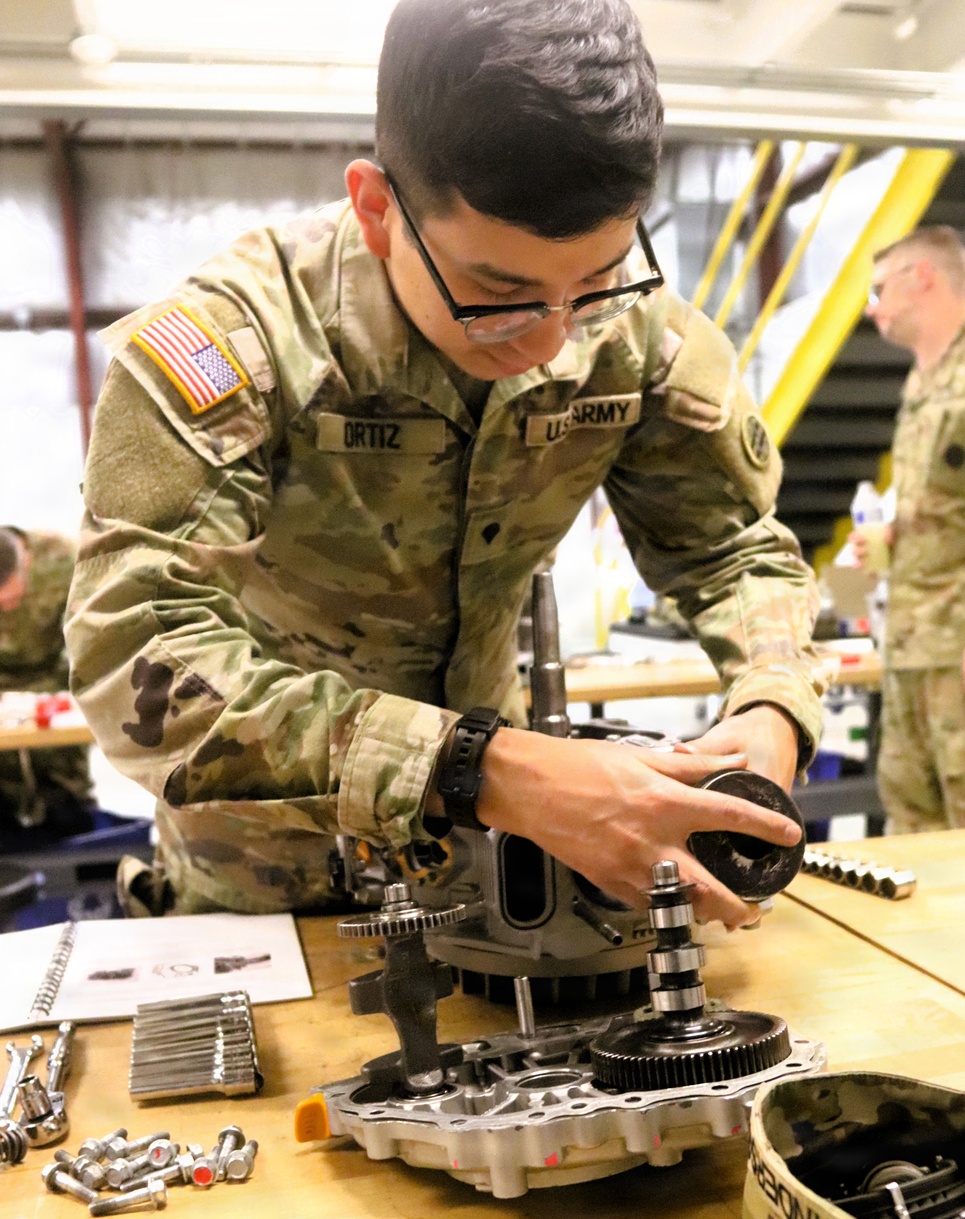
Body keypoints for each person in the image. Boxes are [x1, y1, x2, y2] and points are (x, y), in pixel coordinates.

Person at [66, 0, 827, 927]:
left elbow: (733, 551)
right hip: (266, 884)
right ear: (378, 209)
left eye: (596, 283)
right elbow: (131, 657)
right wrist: (484, 767)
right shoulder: (237, 346)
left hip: (496, 881)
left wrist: (771, 708)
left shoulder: (639, 339)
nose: (552, 342)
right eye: (496, 295)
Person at [856, 225, 965, 831]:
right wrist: (893, 534)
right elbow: (951, 502)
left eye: (881, 287)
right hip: (915, 642)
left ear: (924, 278)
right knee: (911, 823)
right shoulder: (920, 381)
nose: (872, 306)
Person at [0, 527, 95, 837]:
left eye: (11, 598)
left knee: (67, 803)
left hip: (50, 683)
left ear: (26, 562)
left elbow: (92, 641)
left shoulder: (62, 559)